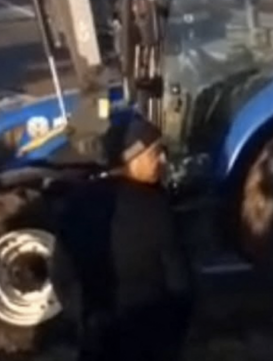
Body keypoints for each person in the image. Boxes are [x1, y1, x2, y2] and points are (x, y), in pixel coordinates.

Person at [50, 115, 194, 361]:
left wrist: (85, 318)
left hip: (97, 340)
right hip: (148, 339)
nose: (163, 160)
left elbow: (61, 274)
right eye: (155, 153)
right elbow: (180, 283)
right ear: (131, 157)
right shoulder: (155, 208)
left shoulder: (75, 204)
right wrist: (174, 336)